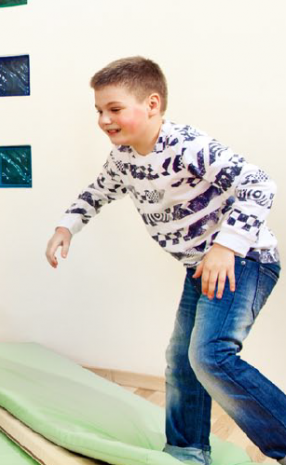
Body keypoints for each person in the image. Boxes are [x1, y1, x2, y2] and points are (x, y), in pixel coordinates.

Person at [45, 56, 285, 465]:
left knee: (210, 356)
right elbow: (97, 191)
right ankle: (187, 449)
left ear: (152, 104)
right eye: (99, 111)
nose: (104, 119)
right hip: (202, 267)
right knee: (181, 359)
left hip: (245, 258)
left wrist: (226, 246)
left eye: (115, 109)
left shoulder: (187, 145)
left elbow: (260, 184)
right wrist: (66, 227)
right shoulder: (123, 157)